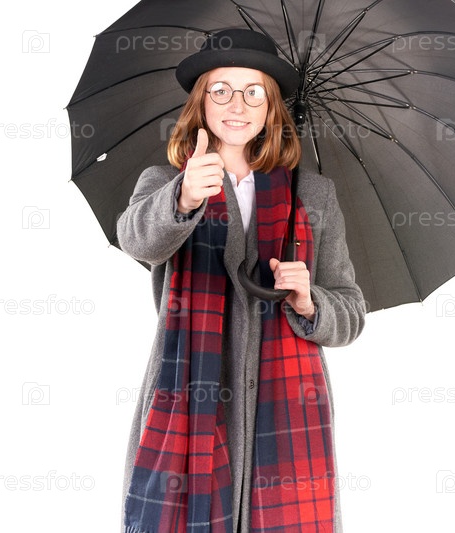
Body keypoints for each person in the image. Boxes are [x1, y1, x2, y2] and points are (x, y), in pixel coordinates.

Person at [116, 28, 366, 533]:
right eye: (222, 90)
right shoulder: (166, 183)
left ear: (271, 107)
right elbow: (137, 242)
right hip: (189, 392)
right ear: (201, 102)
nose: (238, 104)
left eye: (254, 92)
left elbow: (351, 312)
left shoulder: (312, 195)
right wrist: (185, 197)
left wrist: (310, 300)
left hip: (287, 406)